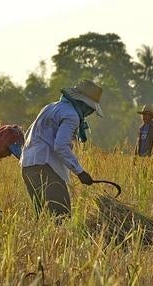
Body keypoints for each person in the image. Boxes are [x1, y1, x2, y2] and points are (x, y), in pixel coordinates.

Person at [20, 79, 103, 219]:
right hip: (46, 168)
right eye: (90, 108)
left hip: (27, 166)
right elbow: (60, 146)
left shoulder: (49, 107)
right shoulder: (72, 116)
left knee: (43, 218)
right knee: (62, 217)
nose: (90, 113)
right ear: (82, 103)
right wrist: (80, 172)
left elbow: (28, 135)